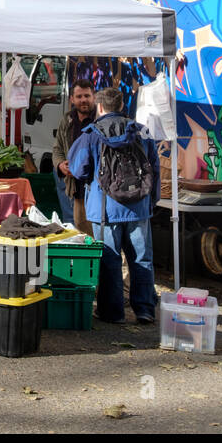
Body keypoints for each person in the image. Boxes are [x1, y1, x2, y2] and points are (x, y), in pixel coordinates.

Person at [67, 86, 160, 324]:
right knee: (141, 258)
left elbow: (78, 169)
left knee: (110, 260)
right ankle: (145, 310)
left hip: (105, 209)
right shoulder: (142, 132)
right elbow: (155, 169)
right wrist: (152, 201)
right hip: (139, 206)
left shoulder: (90, 134)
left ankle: (112, 312)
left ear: (100, 107)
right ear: (121, 105)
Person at [51, 78, 97, 230]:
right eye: (79, 96)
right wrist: (60, 164)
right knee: (80, 227)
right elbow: (57, 148)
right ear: (72, 99)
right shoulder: (67, 119)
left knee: (98, 232)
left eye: (87, 96)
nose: (83, 100)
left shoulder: (100, 119)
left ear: (94, 97)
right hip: (76, 188)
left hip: (96, 187)